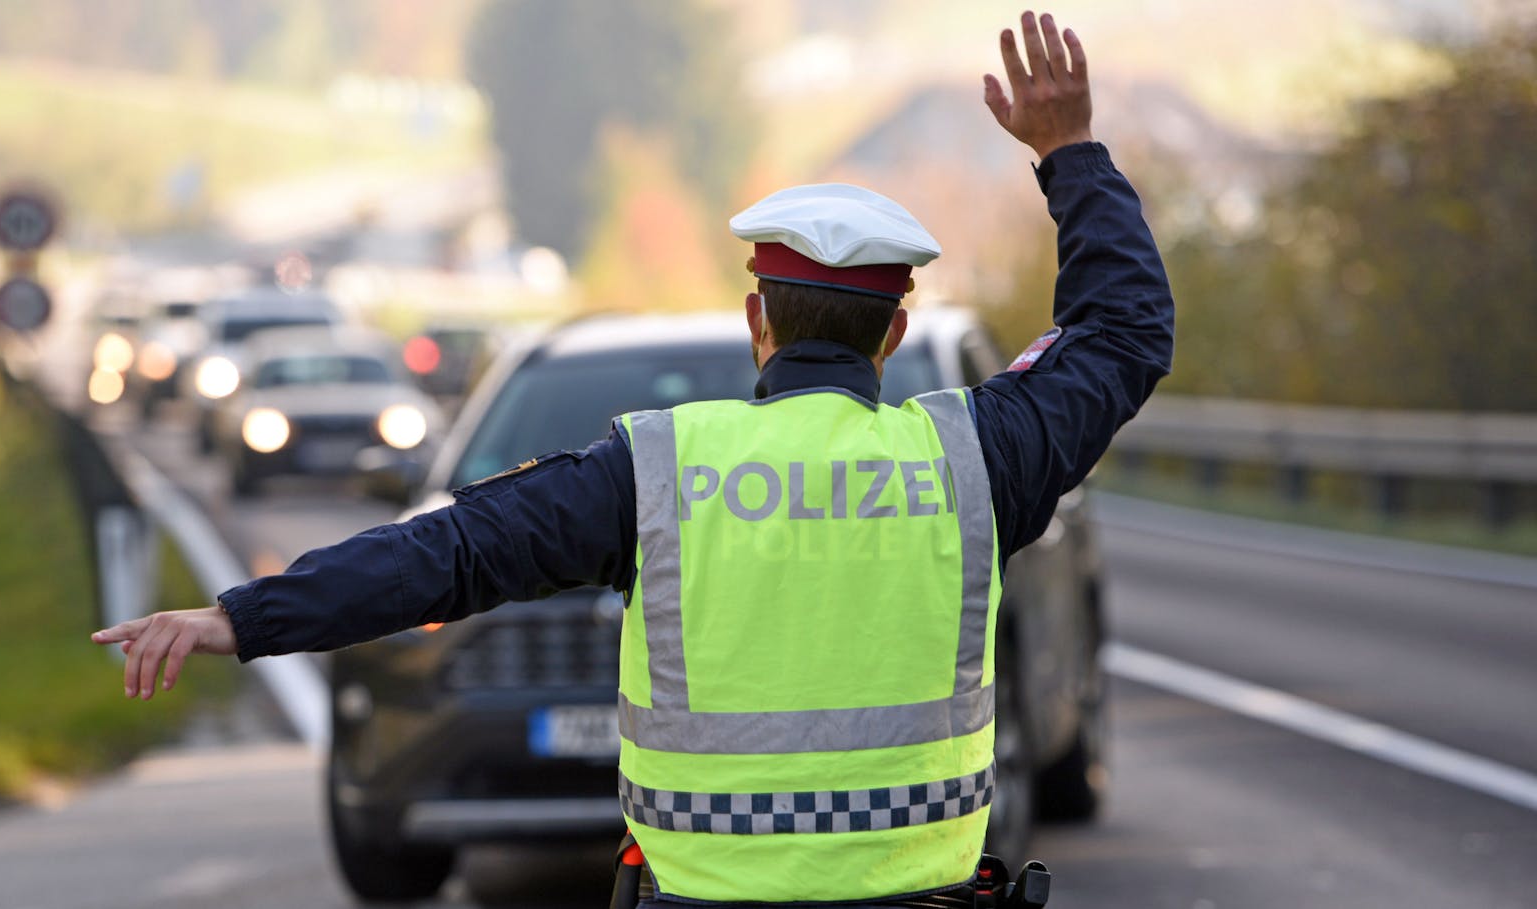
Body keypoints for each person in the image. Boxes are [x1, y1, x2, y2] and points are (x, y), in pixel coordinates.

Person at [93, 10, 1172, 906]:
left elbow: (449, 553)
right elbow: (1123, 330)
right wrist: (1064, 150)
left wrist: (240, 617)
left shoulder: (657, 473)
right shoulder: (970, 461)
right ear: (891, 336)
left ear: (758, 320)